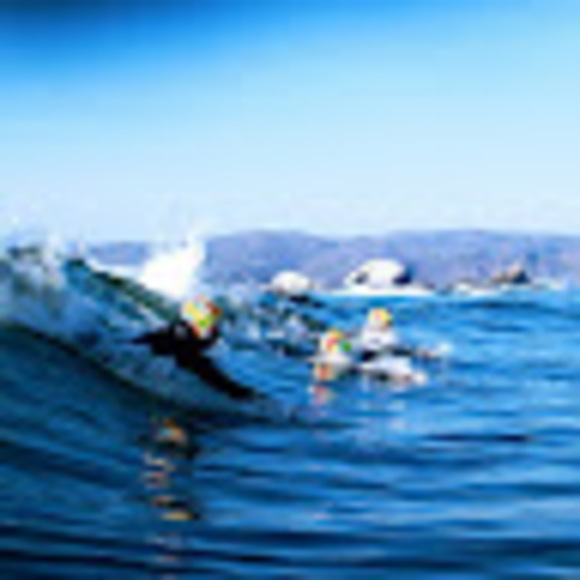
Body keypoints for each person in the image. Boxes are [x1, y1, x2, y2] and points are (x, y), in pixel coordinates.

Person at [134, 296, 257, 401]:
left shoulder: (202, 331)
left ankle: (240, 393)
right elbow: (158, 338)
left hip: (183, 351)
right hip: (177, 349)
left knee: (203, 365)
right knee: (199, 363)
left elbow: (204, 343)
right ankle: (239, 393)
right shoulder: (180, 330)